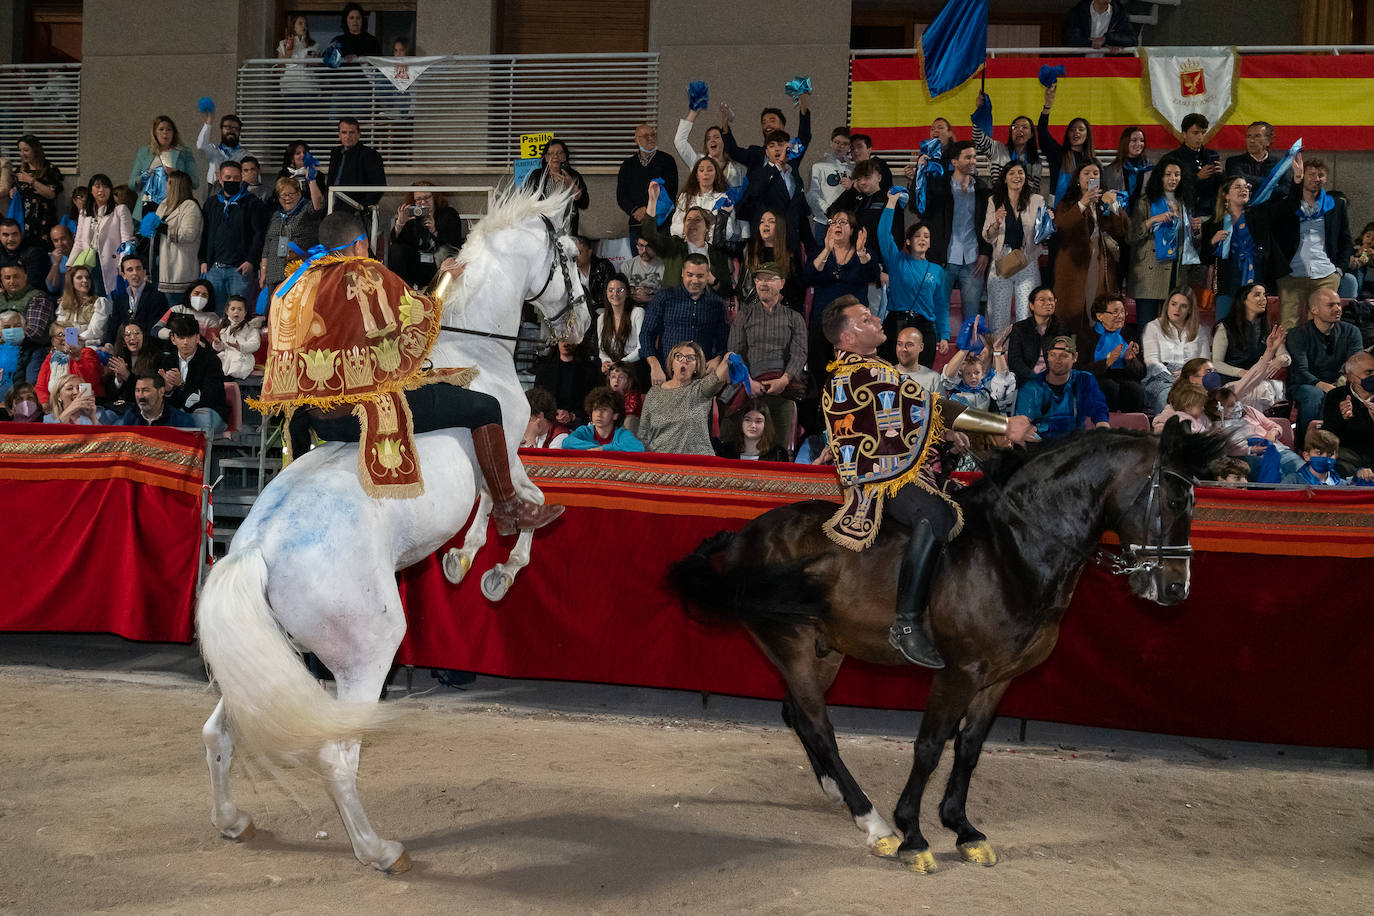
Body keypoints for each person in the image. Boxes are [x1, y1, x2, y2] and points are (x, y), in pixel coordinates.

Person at [820, 295, 1036, 666]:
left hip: (896, 471)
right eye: (866, 319)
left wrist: (946, 434)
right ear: (847, 338)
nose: (876, 321)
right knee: (939, 516)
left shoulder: (871, 367)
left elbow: (904, 419)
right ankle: (905, 623)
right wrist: (1002, 424)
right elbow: (932, 405)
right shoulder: (861, 371)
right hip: (879, 481)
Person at [725, 261, 807, 449]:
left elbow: (799, 353)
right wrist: (748, 381)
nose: (763, 283)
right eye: (759, 279)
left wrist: (784, 380)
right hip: (748, 385)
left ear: (782, 283)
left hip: (782, 387)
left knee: (779, 450)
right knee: (734, 442)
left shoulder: (794, 318)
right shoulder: (744, 316)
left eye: (770, 279)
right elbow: (734, 352)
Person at [1202, 169, 1300, 322]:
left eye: (1246, 187)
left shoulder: (1259, 215)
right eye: (1238, 187)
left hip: (1256, 280)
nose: (1244, 190)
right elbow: (1205, 258)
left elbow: (1289, 205)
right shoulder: (1213, 224)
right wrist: (1212, 242)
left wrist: (1297, 180)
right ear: (1226, 195)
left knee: (1254, 328)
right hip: (1228, 282)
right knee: (1224, 327)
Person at [911, 141, 991, 320]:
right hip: (942, 259)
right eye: (968, 157)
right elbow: (918, 208)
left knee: (972, 317)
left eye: (974, 157)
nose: (973, 161)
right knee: (936, 313)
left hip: (973, 260)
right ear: (954, 162)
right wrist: (920, 173)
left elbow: (988, 222)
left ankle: (970, 348)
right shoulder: (938, 185)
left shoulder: (981, 188)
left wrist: (985, 252)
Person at [1052, 160, 1129, 342]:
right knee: (1074, 307)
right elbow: (1062, 227)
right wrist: (1083, 203)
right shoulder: (1068, 202)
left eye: (1095, 173)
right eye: (1086, 173)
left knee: (1097, 307)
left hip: (1101, 262)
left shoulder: (1105, 200)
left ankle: (1097, 350)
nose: (1091, 177)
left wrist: (1114, 206)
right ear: (1078, 179)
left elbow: (1122, 230)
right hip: (1074, 266)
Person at [1273, 156, 1352, 329]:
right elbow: (1278, 226)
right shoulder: (1288, 204)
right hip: (1292, 273)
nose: (1316, 178)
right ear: (1303, 176)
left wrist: (1339, 270)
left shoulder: (1335, 205)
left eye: (1321, 175)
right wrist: (1296, 180)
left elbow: (1346, 239)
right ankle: (1288, 357)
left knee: (1321, 325)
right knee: (1288, 325)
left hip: (1326, 273)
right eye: (1311, 174)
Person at [878, 193, 949, 366]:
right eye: (917, 235)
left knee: (922, 376)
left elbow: (941, 306)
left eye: (926, 236)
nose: (922, 239)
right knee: (893, 374)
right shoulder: (897, 261)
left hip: (925, 327)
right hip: (897, 323)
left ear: (930, 243)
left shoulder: (937, 270)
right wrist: (891, 202)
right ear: (908, 241)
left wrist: (945, 335)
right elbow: (883, 234)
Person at [1129, 160, 1200, 330]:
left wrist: (1196, 230)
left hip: (1176, 273)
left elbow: (1190, 242)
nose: (1173, 179)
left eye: (1177, 174)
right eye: (1168, 174)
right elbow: (1130, 236)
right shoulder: (1145, 202)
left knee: (1171, 329)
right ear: (1159, 177)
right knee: (1146, 328)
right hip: (1149, 273)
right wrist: (1153, 220)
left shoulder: (1183, 204)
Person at [638, 253, 729, 387]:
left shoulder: (717, 304)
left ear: (707, 276)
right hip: (667, 374)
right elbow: (646, 334)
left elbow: (724, 341)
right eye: (690, 274)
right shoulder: (664, 297)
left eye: (700, 276)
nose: (694, 280)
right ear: (682, 273)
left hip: (701, 378)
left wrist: (718, 359)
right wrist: (654, 365)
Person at [1287, 287, 1363, 445]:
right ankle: (1308, 444)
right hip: (1306, 384)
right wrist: (1323, 386)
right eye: (1331, 305)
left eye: (1339, 305)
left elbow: (1356, 364)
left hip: (1340, 382)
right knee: (1314, 395)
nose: (1337, 309)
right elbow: (1301, 371)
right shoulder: (1298, 334)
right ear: (1314, 309)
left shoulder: (1352, 332)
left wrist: (1340, 384)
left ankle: (1344, 447)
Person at [636, 339, 734, 456]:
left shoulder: (701, 389)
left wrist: (729, 357)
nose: (684, 361)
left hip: (695, 464)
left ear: (697, 366)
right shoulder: (654, 392)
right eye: (679, 357)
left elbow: (720, 375)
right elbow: (643, 433)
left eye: (690, 358)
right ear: (672, 363)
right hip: (660, 463)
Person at [981, 161, 1045, 331]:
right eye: (1012, 173)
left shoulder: (1037, 200)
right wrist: (996, 222)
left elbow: (1043, 235)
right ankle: (998, 354)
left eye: (1020, 172)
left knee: (1026, 316)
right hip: (1002, 259)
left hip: (1027, 260)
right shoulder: (994, 200)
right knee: (998, 314)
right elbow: (987, 236)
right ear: (1004, 178)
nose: (1017, 176)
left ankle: (1023, 356)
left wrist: (1048, 222)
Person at [640, 184, 732, 298]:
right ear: (683, 227)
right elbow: (649, 235)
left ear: (707, 228)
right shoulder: (674, 247)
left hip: (706, 309)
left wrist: (712, 280)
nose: (692, 222)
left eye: (698, 219)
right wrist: (652, 200)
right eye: (689, 220)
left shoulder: (717, 254)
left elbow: (727, 291)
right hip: (676, 306)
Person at [1211, 282, 1289, 411]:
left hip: (1259, 381)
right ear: (1243, 300)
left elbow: (1285, 356)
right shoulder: (1225, 327)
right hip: (1233, 381)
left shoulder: (1268, 327)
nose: (1264, 299)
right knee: (1258, 391)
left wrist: (1281, 359)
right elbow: (1217, 363)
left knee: (1263, 389)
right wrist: (1243, 373)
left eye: (1265, 295)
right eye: (1257, 295)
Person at [199, 161, 266, 312]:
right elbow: (204, 232)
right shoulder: (211, 203)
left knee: (239, 314)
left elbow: (259, 235)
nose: (232, 181)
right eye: (228, 177)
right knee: (215, 314)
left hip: (240, 270)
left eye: (236, 178)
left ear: (242, 178)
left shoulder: (252, 203)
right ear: (220, 179)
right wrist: (203, 259)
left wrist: (251, 261)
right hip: (214, 269)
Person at [1015, 334, 1111, 437]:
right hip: (1042, 444)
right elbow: (1022, 422)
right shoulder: (1032, 386)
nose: (1058, 360)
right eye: (1053, 355)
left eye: (1064, 355)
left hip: (1075, 442)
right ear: (1048, 357)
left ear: (1075, 357)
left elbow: (1098, 408)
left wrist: (1103, 430)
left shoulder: (1084, 380)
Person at [1140, 288, 1212, 415]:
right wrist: (1178, 378)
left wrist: (1189, 377)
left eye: (1183, 306)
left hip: (1192, 379)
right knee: (1170, 397)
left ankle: (1195, 432)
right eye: (1173, 304)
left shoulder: (1199, 331)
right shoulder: (1153, 327)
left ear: (1190, 310)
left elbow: (1205, 363)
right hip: (1160, 380)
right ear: (1167, 305)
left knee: (1203, 398)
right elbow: (1152, 362)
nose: (1177, 309)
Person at [736, 129, 809, 245]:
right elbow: (755, 191)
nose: (777, 149)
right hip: (767, 241)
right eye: (772, 146)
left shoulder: (794, 175)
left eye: (781, 145)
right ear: (767, 152)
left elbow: (801, 209)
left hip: (792, 240)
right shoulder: (759, 174)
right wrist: (778, 165)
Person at [161, 313, 229, 436]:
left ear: (197, 338)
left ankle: (199, 455)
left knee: (202, 417)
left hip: (210, 411)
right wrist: (167, 391)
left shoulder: (211, 360)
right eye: (181, 337)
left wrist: (182, 385)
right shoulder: (166, 361)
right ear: (173, 339)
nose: (186, 342)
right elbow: (163, 401)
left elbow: (209, 398)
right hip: (178, 412)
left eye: (190, 336)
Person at [726, 209, 806, 310]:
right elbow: (721, 245)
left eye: (771, 221)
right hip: (752, 309)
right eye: (762, 221)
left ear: (780, 227)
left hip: (779, 312)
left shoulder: (789, 255)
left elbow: (798, 290)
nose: (766, 225)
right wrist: (724, 213)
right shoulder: (748, 249)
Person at [388, 181, 462, 289]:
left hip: (438, 265)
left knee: (444, 252)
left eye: (427, 197)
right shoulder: (411, 216)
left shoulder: (449, 214)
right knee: (396, 250)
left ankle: (442, 291)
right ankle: (401, 291)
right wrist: (400, 224)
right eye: (418, 199)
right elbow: (398, 243)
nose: (423, 202)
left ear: (434, 197)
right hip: (417, 265)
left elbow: (453, 243)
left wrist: (435, 231)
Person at [69, 175, 133, 300]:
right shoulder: (84, 213)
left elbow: (127, 240)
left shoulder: (120, 210)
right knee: (93, 299)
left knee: (112, 298)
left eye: (106, 186)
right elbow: (79, 242)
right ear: (91, 191)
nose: (101, 190)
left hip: (111, 262)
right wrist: (70, 264)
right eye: (97, 186)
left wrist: (123, 263)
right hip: (89, 262)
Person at [262, 175, 327, 294]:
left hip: (299, 272)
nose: (287, 198)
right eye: (283, 195)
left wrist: (311, 180)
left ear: (299, 194)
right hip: (274, 273)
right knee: (271, 310)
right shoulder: (276, 215)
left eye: (291, 193)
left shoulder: (306, 210)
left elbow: (318, 205)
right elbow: (268, 243)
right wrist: (263, 271)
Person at [616, 122, 678, 245]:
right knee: (638, 262)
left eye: (653, 135)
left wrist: (649, 211)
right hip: (637, 223)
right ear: (636, 140)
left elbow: (671, 191)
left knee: (661, 262)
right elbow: (621, 196)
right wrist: (636, 210)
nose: (650, 138)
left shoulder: (667, 161)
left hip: (662, 224)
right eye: (645, 136)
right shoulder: (627, 165)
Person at [1082, 294, 1145, 413]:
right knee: (1109, 387)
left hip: (1124, 377)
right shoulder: (1087, 336)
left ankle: (1129, 429)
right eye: (1115, 312)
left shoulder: (1129, 334)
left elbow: (1141, 373)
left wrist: (1130, 360)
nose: (1120, 316)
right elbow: (1080, 370)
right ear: (1100, 316)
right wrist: (1107, 362)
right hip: (1097, 378)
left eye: (1122, 312)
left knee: (1135, 389)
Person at [128, 116, 197, 221]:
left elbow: (195, 183)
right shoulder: (144, 152)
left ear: (174, 133)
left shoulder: (184, 153)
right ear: (155, 132)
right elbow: (132, 184)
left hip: (173, 208)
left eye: (169, 129)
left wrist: (176, 173)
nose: (165, 132)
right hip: (146, 208)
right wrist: (144, 176)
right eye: (161, 129)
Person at [721, 95, 812, 174]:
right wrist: (725, 123)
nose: (767, 125)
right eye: (764, 122)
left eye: (772, 121)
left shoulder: (792, 150)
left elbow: (804, 135)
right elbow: (732, 151)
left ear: (783, 126)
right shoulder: (754, 153)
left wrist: (803, 105)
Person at [1037, 82, 1094, 205]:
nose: (1076, 132)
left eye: (1081, 129)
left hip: (1085, 213)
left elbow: (1094, 192)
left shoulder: (1092, 162)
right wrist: (1047, 105)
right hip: (1059, 212)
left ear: (1087, 135)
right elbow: (1042, 132)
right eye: (1072, 130)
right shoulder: (1058, 155)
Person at [970, 98, 1042, 194]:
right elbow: (978, 139)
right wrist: (980, 111)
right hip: (1000, 203)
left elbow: (1035, 191)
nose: (1019, 130)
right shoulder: (997, 149)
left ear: (1032, 134)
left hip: (1025, 205)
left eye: (1024, 127)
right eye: (1015, 127)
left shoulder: (1036, 160)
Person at [152, 170, 203, 305]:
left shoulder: (190, 206)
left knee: (177, 308)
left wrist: (164, 228)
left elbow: (189, 234)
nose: (165, 185)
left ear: (176, 186)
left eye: (168, 182)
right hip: (161, 263)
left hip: (179, 267)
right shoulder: (164, 205)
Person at [1321, 351, 1374, 480]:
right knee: (1332, 466)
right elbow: (1328, 435)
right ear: (1351, 377)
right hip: (1347, 456)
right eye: (1368, 373)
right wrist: (1341, 418)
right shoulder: (1336, 396)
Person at [317, 117, 387, 214]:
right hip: (330, 208)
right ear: (339, 135)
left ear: (359, 134)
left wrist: (362, 207)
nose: (348, 136)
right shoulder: (335, 153)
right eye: (344, 132)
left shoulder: (370, 155)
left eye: (352, 132)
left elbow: (379, 186)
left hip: (355, 212)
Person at [1, 262, 56, 384]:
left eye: (16, 276)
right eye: (7, 277)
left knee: (29, 384)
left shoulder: (37, 297)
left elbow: (34, 332)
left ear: (25, 276)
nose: (12, 281)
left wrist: (4, 335)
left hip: (31, 350)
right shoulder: (1, 298)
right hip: (3, 350)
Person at [522, 139, 589, 235]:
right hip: (542, 230)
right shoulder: (536, 175)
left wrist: (572, 187)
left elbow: (584, 204)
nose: (555, 157)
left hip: (567, 231)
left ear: (565, 156)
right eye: (550, 153)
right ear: (545, 157)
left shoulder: (574, 176)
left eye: (559, 153)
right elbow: (526, 200)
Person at [675, 104, 747, 192]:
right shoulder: (698, 162)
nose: (712, 140)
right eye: (708, 139)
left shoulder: (736, 168)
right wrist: (693, 112)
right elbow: (679, 141)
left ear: (724, 141)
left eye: (716, 137)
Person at [1007, 285, 1068, 388]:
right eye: (1042, 300)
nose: (1048, 303)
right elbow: (1015, 361)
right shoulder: (1019, 328)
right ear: (1031, 305)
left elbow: (1066, 358)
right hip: (1027, 380)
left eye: (1051, 300)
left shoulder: (1061, 328)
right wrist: (1033, 377)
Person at [940, 333, 1017, 415]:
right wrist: (965, 347)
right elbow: (947, 380)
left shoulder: (996, 377)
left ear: (991, 348)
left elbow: (1005, 397)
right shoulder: (961, 372)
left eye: (981, 345)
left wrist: (998, 352)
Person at [10, 135, 64, 244]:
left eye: (26, 150)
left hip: (44, 221)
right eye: (20, 150)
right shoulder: (20, 170)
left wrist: (31, 180)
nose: (22, 154)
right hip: (24, 221)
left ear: (36, 150)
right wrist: (12, 192)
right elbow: (15, 191)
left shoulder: (50, 169)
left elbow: (51, 194)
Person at [107, 253, 168, 344]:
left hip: (149, 347)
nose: (135, 273)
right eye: (130, 270)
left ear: (144, 271)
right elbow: (114, 325)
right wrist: (108, 343)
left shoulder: (157, 296)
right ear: (124, 275)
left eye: (138, 269)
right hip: (125, 346)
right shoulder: (120, 299)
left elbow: (154, 328)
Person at [560, 386, 644, 452]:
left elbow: (638, 447)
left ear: (615, 415)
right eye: (595, 409)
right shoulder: (584, 431)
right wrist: (597, 448)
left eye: (604, 410)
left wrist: (603, 449)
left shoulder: (621, 433)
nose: (599, 414)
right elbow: (566, 443)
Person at [807, 127, 853, 246]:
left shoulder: (853, 169)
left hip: (847, 225)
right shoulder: (819, 166)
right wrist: (828, 212)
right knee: (823, 261)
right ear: (830, 143)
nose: (840, 146)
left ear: (849, 147)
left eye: (845, 144)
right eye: (837, 142)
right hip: (824, 223)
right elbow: (812, 195)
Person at [1224, 121, 1292, 196]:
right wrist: (1273, 183)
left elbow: (1286, 190)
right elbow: (1239, 179)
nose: (1251, 140)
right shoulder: (1234, 162)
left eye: (1257, 136)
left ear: (1268, 141)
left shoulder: (1281, 165)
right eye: (1248, 136)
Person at [106, 320, 163, 410]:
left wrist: (127, 375)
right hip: (119, 408)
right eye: (128, 335)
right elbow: (109, 394)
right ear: (123, 339)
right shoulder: (118, 358)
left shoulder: (156, 357)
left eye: (137, 333)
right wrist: (118, 381)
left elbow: (148, 390)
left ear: (143, 336)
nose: (132, 338)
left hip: (143, 408)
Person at [671, 156, 732, 239]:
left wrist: (703, 236)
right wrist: (692, 233)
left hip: (711, 248)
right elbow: (674, 227)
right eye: (701, 170)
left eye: (710, 170)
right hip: (685, 245)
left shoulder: (725, 199)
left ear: (716, 175)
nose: (706, 173)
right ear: (697, 175)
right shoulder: (685, 197)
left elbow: (728, 231)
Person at [594, 274, 643, 376]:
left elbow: (641, 347)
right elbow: (602, 350)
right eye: (611, 290)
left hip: (633, 366)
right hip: (612, 367)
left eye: (620, 290)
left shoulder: (637, 312)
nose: (615, 294)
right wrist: (606, 362)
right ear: (606, 293)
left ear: (627, 293)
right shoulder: (601, 319)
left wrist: (620, 363)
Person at [55, 264, 109, 350]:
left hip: (91, 348)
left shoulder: (100, 303)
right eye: (79, 278)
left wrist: (73, 340)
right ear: (71, 282)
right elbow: (60, 328)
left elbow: (94, 332)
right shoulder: (64, 304)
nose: (85, 280)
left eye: (87, 277)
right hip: (68, 348)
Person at [196, 108, 250, 194]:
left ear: (239, 132)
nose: (231, 131)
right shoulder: (213, 149)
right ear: (221, 129)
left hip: (237, 189)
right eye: (227, 127)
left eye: (235, 128)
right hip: (213, 188)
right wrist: (209, 120)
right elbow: (201, 146)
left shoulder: (245, 155)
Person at [717, 399, 789, 461]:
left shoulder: (778, 454)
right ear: (741, 422)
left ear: (766, 425)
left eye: (758, 421)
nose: (753, 425)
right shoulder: (726, 451)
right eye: (748, 420)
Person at [1101, 126, 1152, 214]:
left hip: (1144, 220)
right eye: (1134, 140)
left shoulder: (1150, 170)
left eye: (1142, 140)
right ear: (1125, 142)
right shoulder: (1110, 171)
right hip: (1119, 220)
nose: (1139, 144)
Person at [119, 372, 195, 428]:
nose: (140, 396)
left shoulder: (182, 420)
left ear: (161, 391)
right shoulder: (130, 416)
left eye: (146, 390)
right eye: (137, 390)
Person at [214, 296, 261, 380]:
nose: (236, 312)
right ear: (227, 311)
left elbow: (255, 344)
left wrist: (240, 347)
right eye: (233, 309)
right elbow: (224, 347)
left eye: (240, 309)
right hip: (228, 356)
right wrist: (218, 344)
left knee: (236, 363)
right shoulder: (224, 330)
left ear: (245, 312)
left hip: (242, 356)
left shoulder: (250, 328)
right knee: (215, 361)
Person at [1281, 428, 1346, 486]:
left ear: (1336, 455)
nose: (1325, 457)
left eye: (1330, 454)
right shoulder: (1292, 482)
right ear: (1307, 456)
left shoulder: (1342, 485)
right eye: (1319, 453)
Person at [276, 14, 320, 97]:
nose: (304, 26)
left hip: (309, 86)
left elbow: (318, 68)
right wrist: (287, 54)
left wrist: (312, 60)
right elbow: (280, 70)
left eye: (305, 24)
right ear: (293, 26)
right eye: (300, 23)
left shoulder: (313, 45)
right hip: (290, 87)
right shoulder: (283, 44)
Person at [892, 325, 944, 393]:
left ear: (921, 347)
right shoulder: (886, 375)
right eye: (899, 344)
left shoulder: (933, 378)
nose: (904, 349)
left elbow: (940, 403)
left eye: (909, 344)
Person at [1064, 0, 1135, 48]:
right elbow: (1070, 39)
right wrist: (1091, 42)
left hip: (1107, 66)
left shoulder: (1120, 14)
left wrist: (1107, 39)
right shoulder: (1077, 13)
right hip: (1081, 65)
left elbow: (1132, 40)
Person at [0, 218, 47, 292]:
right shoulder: (1, 252)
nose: (10, 239)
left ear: (21, 234)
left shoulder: (34, 253)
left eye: (14, 234)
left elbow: (32, 285)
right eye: (6, 235)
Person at [624, 237, 665, 308]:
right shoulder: (627, 265)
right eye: (641, 246)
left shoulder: (664, 266)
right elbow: (621, 291)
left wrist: (649, 298)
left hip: (657, 307)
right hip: (632, 307)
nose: (644, 250)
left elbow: (668, 295)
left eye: (648, 246)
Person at [45, 224, 73, 295]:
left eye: (63, 238)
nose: (60, 244)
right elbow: (52, 288)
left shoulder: (82, 254)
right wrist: (55, 264)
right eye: (56, 240)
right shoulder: (52, 258)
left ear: (72, 237)